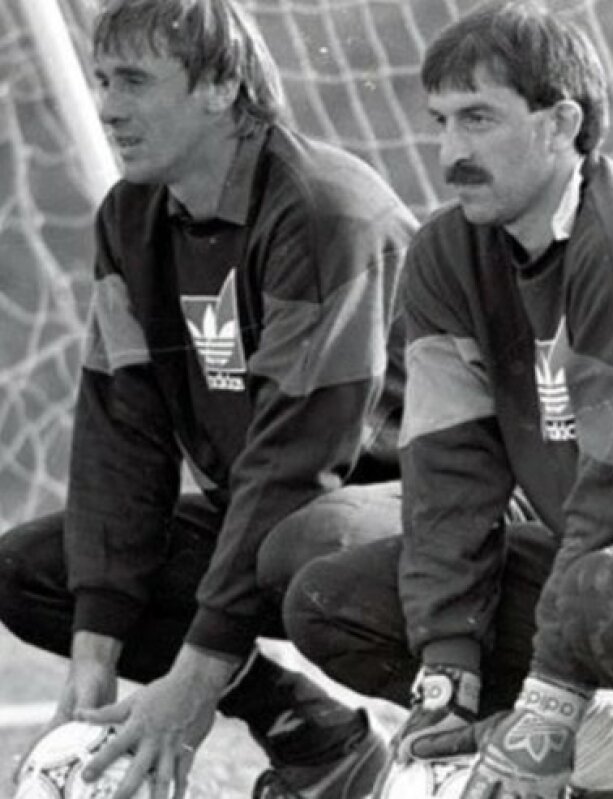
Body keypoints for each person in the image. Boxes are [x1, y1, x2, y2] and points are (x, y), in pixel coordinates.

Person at [280, 2, 613, 796]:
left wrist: (548, 697)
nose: (450, 152)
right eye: (442, 121)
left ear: (562, 124)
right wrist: (448, 672)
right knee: (329, 599)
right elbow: (451, 474)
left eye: (478, 118)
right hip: (601, 561)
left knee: (603, 593)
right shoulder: (448, 254)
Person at [0, 1, 419, 797]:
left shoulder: (322, 212)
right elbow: (122, 437)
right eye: (101, 80)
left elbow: (297, 461)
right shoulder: (132, 218)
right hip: (290, 520)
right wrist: (92, 665)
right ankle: (313, 732)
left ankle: (485, 733)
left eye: (133, 81)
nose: (107, 106)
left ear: (222, 85)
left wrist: (191, 688)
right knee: (36, 569)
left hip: (441, 517)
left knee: (303, 546)